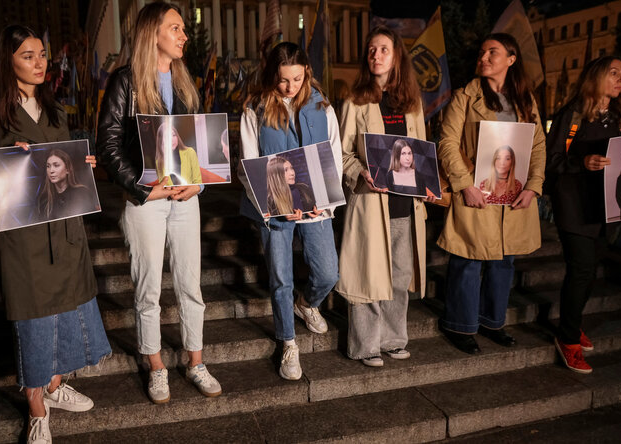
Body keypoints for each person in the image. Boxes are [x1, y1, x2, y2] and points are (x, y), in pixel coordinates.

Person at [0, 25, 110, 444]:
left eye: (42, 55)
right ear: (7, 61)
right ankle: (36, 405)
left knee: (67, 309)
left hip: (65, 229)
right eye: (28, 56)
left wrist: (82, 165)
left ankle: (54, 386)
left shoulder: (56, 109)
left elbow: (64, 166)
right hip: (23, 238)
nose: (39, 64)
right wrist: (6, 166)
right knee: (35, 318)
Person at [96, 2, 221, 404]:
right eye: (176, 28)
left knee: (190, 282)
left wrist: (198, 183)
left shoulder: (185, 81)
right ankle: (155, 364)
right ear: (154, 33)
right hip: (146, 199)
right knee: (148, 286)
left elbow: (196, 144)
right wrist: (141, 189)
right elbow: (109, 146)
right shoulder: (125, 82)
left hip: (184, 196)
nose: (184, 36)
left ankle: (195, 361)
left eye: (183, 29)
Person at [436, 33, 546, 355]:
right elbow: (447, 143)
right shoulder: (464, 97)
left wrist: (533, 187)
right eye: (481, 51)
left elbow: (537, 145)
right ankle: (460, 325)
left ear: (511, 59)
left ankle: (491, 322)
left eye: (492, 52)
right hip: (476, 193)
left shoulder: (525, 99)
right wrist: (465, 185)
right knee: (467, 261)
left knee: (503, 262)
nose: (483, 57)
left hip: (512, 196)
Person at [239, 41, 341, 380]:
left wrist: (323, 201)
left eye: (297, 79)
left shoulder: (322, 105)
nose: (291, 87)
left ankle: (307, 303)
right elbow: (248, 164)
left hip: (315, 205)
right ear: (273, 75)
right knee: (280, 277)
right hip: (274, 207)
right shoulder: (254, 108)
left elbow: (334, 156)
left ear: (306, 73)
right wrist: (274, 205)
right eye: (284, 80)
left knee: (328, 273)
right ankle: (288, 342)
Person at [336, 25, 431, 367]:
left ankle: (393, 339)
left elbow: (420, 153)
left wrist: (428, 180)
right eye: (372, 50)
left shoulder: (411, 103)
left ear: (397, 56)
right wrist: (357, 171)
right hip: (370, 203)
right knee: (367, 273)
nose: (376, 55)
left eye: (384, 50)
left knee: (400, 275)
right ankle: (366, 345)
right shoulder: (355, 99)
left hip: (405, 206)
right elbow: (342, 152)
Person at [546, 56, 621, 373]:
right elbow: (551, 160)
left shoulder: (620, 117)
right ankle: (567, 340)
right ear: (596, 77)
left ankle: (573, 321)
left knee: (591, 271)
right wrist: (582, 163)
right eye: (613, 73)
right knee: (581, 270)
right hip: (574, 207)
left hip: (606, 207)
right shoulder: (573, 114)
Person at [38, 148, 96, 220]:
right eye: (48, 166)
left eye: (56, 165)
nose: (51, 171)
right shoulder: (44, 199)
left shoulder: (82, 192)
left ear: (67, 169)